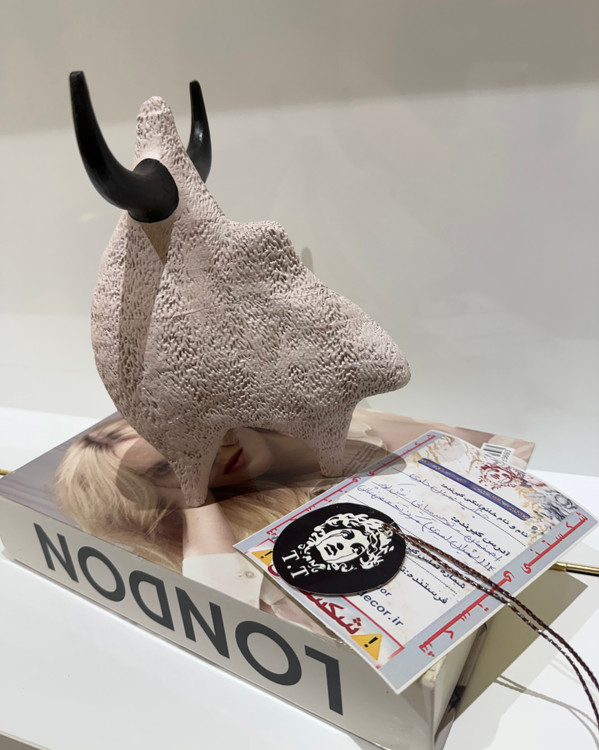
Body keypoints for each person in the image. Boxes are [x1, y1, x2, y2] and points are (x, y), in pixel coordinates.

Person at [55, 414, 387, 630]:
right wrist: (195, 498)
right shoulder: (234, 554)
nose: (201, 457)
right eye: (165, 468)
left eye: (183, 437)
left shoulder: (334, 425)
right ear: (154, 505)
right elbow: (231, 615)